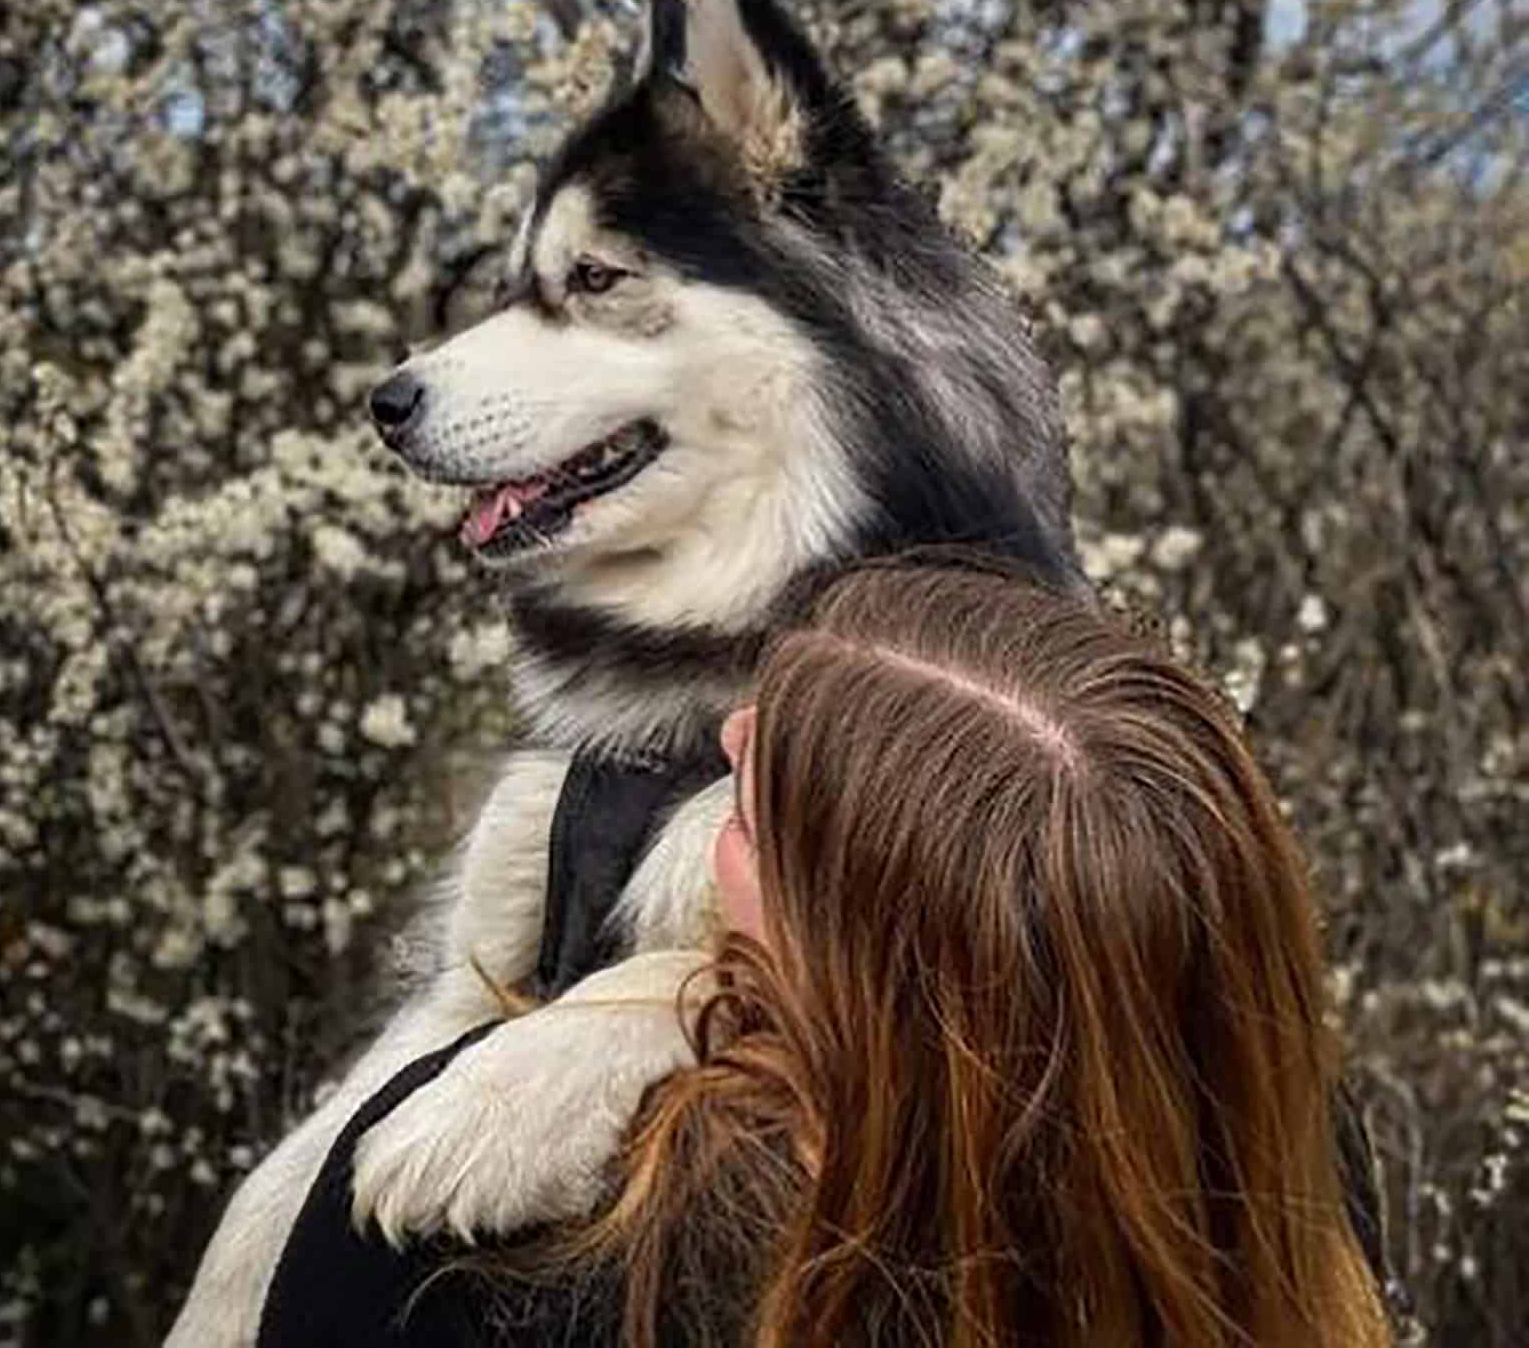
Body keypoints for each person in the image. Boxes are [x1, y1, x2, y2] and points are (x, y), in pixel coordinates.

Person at [261, 560, 1392, 1347]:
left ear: (868, 977)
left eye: (750, 813)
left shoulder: (482, 1269)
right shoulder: (1277, 1183)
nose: (727, 737)